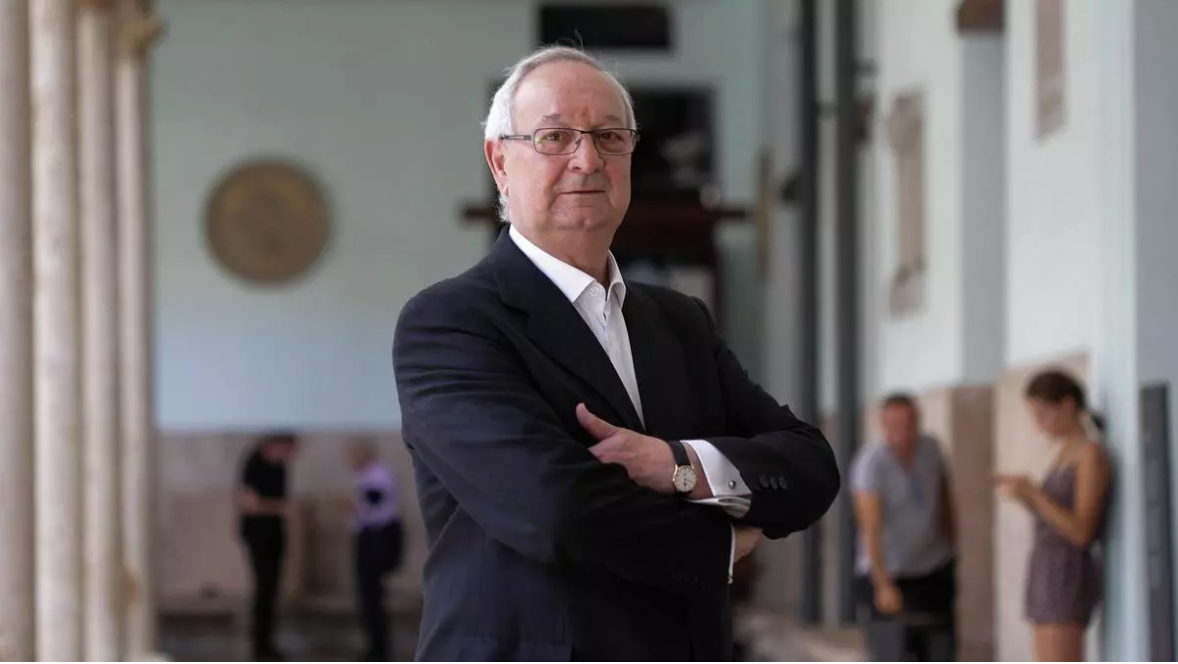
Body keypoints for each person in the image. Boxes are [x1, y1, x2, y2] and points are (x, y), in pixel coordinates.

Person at [392, 45, 841, 662]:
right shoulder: (451, 322)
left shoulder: (679, 321)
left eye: (609, 137)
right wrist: (721, 544)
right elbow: (555, 510)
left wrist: (678, 463)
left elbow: (810, 466)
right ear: (499, 161)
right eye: (554, 137)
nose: (587, 159)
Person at [995, 369, 1111, 662]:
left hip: (1066, 572)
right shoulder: (1065, 452)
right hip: (1046, 569)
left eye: (1043, 415)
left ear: (1068, 406)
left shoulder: (1089, 454)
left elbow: (1081, 531)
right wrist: (1025, 496)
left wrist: (1035, 494)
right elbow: (1053, 516)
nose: (1039, 425)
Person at [850, 393, 957, 661]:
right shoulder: (871, 464)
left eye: (910, 423)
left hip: (933, 567)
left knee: (940, 650)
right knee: (893, 653)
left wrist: (953, 548)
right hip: (890, 573)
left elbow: (945, 499)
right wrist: (882, 584)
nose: (904, 431)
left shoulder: (931, 449)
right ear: (883, 426)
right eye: (896, 424)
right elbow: (870, 529)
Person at [236, 432, 298, 661]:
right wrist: (280, 508)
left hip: (275, 534)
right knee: (262, 591)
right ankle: (259, 648)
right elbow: (250, 505)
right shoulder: (254, 464)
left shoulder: (281, 468)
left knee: (271, 591)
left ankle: (268, 644)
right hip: (257, 535)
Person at [346, 439, 405, 662]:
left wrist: (353, 504)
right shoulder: (369, 475)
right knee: (369, 596)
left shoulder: (377, 475)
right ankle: (375, 646)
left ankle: (377, 649)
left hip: (376, 539)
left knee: (371, 595)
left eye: (354, 455)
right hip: (373, 537)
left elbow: (374, 501)